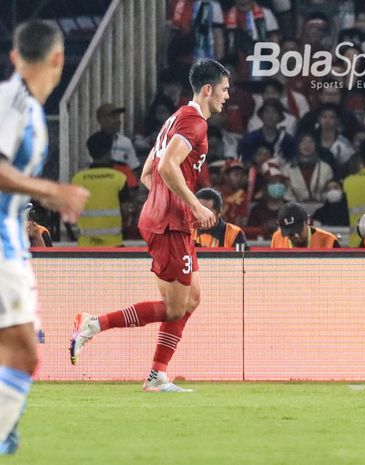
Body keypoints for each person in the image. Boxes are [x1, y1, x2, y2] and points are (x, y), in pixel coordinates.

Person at [69, 59, 230, 392]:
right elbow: (168, 167)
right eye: (225, 90)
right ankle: (94, 324)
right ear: (208, 89)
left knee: (192, 298)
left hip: (167, 217)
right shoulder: (194, 123)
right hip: (170, 222)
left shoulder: (174, 119)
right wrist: (194, 204)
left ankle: (157, 374)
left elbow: (148, 173)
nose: (227, 97)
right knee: (174, 308)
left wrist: (164, 201)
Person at [0, 20, 89, 455]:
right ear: (59, 59)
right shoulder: (12, 103)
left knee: (17, 348)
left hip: (11, 245)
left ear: (17, 57)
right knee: (22, 353)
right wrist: (53, 191)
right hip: (2, 252)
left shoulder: (27, 108)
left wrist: (27, 220)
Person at [71, 131, 130, 247]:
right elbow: (126, 212)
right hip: (113, 245)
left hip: (85, 246)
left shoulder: (77, 179)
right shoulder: (119, 178)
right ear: (109, 152)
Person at [270, 202, 340, 248]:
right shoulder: (277, 238)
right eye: (290, 234)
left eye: (298, 231)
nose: (296, 236)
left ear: (307, 221)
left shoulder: (329, 240)